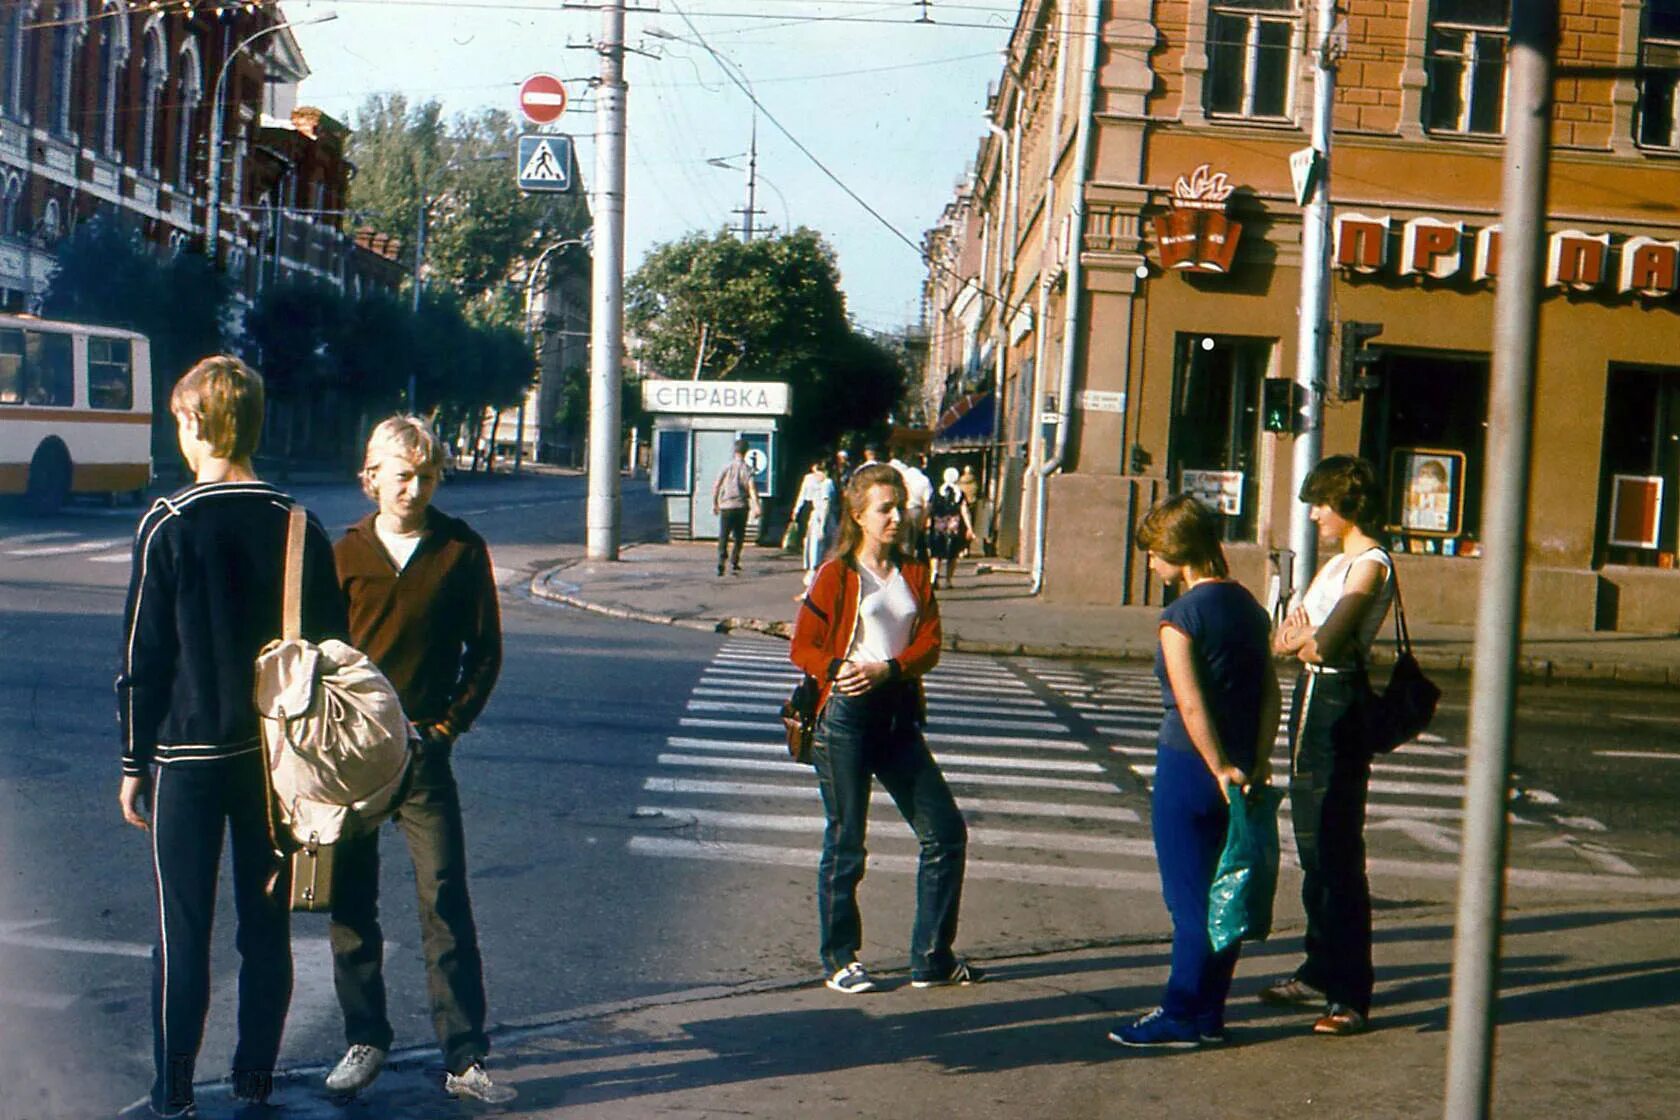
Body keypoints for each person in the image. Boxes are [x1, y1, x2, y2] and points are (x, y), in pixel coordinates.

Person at [117, 356, 348, 1117]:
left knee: (181, 932)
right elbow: (333, 656)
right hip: (274, 768)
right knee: (265, 931)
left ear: (194, 425)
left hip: (186, 755)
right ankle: (253, 1082)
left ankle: (175, 1092)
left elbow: (143, 657)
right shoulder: (300, 527)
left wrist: (131, 760)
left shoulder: (170, 522)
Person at [323, 416, 516, 1104]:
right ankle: (365, 1037)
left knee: (443, 897)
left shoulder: (461, 550)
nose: (414, 488)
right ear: (370, 478)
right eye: (401, 475)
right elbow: (319, 659)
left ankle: (464, 1056)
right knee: (350, 901)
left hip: (425, 758)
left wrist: (448, 726)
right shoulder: (343, 554)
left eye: (427, 476)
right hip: (352, 762)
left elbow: (486, 652)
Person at [789, 463, 980, 994]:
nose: (898, 516)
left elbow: (931, 644)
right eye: (885, 509)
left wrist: (890, 669)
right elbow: (802, 646)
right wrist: (837, 670)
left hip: (896, 712)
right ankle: (840, 958)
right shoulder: (837, 574)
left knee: (944, 832)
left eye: (900, 506)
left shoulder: (915, 572)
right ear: (858, 515)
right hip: (846, 715)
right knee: (847, 839)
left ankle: (931, 957)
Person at [1107, 496, 1280, 1049]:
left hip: (1188, 766)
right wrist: (1254, 759)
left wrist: (1215, 765)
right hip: (1241, 767)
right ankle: (1210, 1013)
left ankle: (1180, 1012)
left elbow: (1189, 702)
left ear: (1173, 555)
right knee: (1226, 892)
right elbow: (1271, 692)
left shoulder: (1180, 618)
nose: (1152, 567)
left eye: (1153, 556)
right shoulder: (1251, 609)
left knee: (1189, 903)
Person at [1264, 454, 1396, 1037]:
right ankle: (1319, 967)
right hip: (1310, 702)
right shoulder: (1333, 567)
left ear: (1349, 505)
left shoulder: (1370, 566)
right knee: (1313, 849)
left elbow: (1330, 645)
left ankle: (1351, 991)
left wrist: (1305, 640)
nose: (1313, 513)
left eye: (1321, 502)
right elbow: (1282, 641)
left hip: (1339, 705)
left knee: (1338, 852)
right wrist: (1300, 641)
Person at [711, 438, 761, 577]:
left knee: (724, 535)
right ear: (746, 452)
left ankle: (721, 560)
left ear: (735, 450)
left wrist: (715, 503)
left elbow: (716, 485)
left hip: (726, 506)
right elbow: (751, 488)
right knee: (739, 536)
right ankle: (734, 560)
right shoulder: (748, 469)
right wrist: (756, 505)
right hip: (741, 506)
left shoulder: (726, 467)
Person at [925, 467, 974, 590]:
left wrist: (925, 520)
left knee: (936, 552)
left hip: (938, 523)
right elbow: (964, 511)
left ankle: (934, 574)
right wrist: (969, 527)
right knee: (952, 554)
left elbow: (929, 507)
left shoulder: (937, 492)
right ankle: (948, 580)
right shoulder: (959, 493)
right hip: (954, 525)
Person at [795, 459, 838, 594]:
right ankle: (815, 582)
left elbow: (803, 498)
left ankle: (815, 581)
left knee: (816, 549)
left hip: (818, 518)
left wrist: (796, 511)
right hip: (822, 518)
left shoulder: (813, 480)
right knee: (820, 549)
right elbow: (826, 505)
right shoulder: (827, 483)